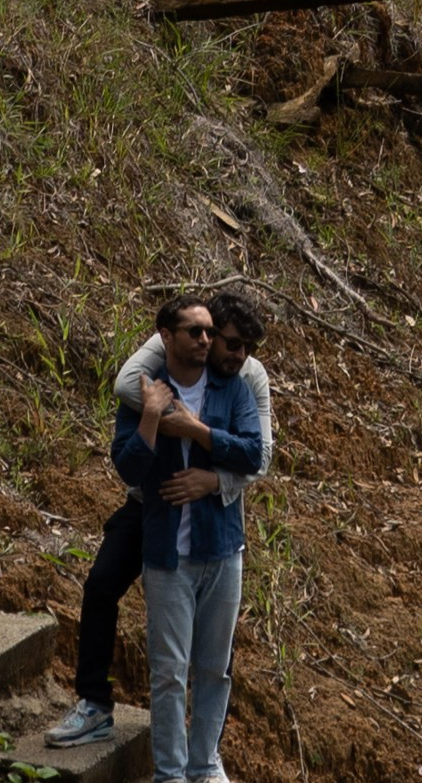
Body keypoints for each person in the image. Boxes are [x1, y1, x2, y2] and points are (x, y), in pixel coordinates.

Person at [51, 291, 272, 751]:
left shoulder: (248, 378)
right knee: (102, 583)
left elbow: (260, 455)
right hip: (149, 503)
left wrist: (212, 480)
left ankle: (205, 757)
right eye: (227, 341)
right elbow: (127, 385)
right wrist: (163, 414)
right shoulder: (172, 348)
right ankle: (94, 702)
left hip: (211, 506)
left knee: (214, 651)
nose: (237, 353)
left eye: (247, 345)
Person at [103, 292, 265, 783]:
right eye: (193, 331)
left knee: (215, 669)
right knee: (169, 672)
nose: (203, 339)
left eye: (207, 331)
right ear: (166, 337)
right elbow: (127, 469)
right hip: (168, 555)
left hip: (223, 550)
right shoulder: (147, 392)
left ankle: (205, 771)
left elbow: (251, 454)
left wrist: (198, 436)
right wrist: (152, 420)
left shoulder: (233, 388)